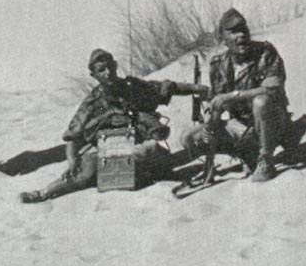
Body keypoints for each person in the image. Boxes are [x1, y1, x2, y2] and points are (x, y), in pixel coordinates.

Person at [19, 49, 209, 203]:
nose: (107, 72)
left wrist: (197, 89)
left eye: (110, 67)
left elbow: (167, 87)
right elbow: (72, 136)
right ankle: (44, 192)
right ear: (94, 75)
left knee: (153, 153)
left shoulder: (133, 87)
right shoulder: (92, 103)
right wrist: (71, 161)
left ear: (115, 66)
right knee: (85, 171)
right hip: (112, 152)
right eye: (101, 70)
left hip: (143, 148)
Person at [179, 8, 306, 182]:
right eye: (234, 32)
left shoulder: (265, 52)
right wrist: (210, 124)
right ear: (222, 37)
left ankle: (267, 160)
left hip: (272, 122)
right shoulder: (218, 64)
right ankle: (246, 155)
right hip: (241, 126)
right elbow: (219, 104)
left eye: (244, 29)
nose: (241, 35)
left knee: (261, 102)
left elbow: (272, 90)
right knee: (188, 138)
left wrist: (233, 96)